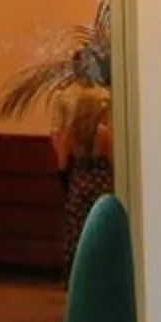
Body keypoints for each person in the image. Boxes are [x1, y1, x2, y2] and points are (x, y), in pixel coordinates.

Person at [50, 78, 114, 266]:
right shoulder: (104, 133)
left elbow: (62, 163)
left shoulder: (71, 133)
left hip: (78, 186)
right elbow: (113, 161)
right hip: (101, 186)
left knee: (79, 234)